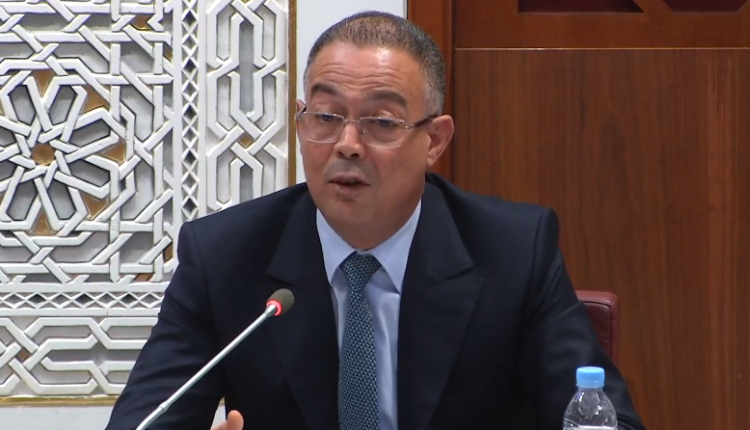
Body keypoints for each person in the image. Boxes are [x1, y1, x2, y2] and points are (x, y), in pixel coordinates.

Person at [105, 11, 648, 430]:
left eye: (381, 122)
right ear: (301, 123)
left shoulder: (513, 252)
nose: (347, 144)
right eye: (325, 116)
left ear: (434, 140)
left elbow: (605, 420)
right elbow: (143, 420)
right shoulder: (223, 256)